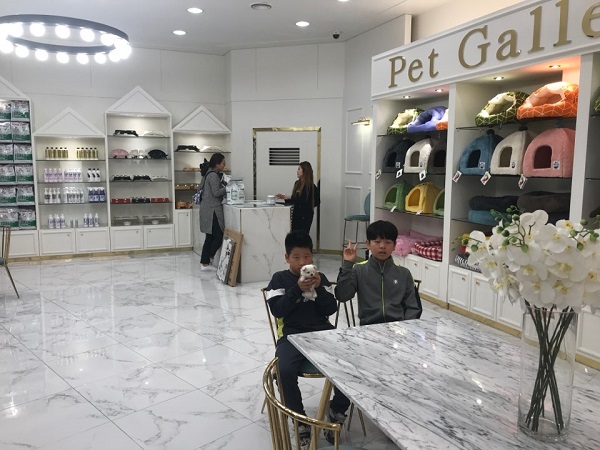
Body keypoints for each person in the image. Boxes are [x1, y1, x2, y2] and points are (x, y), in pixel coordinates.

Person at [266, 230, 350, 447]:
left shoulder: (320, 278)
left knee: (349, 363)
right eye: (296, 257)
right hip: (291, 335)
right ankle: (300, 421)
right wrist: (296, 289)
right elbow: (277, 310)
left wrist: (319, 288)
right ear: (287, 258)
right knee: (284, 370)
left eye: (306, 256)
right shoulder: (279, 279)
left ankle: (336, 410)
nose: (302, 262)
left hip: (322, 332)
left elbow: (330, 308)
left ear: (312, 257)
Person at [336, 220, 421, 325]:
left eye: (388, 242)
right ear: (368, 244)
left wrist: (406, 326)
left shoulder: (404, 274)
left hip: (398, 328)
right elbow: (342, 296)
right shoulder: (359, 270)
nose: (382, 246)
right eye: (377, 241)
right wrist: (348, 265)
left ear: (394, 245)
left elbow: (413, 307)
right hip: (369, 328)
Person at [199, 153, 227, 269]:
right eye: (223, 163)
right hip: (212, 210)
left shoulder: (208, 173)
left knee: (209, 237)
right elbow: (216, 192)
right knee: (218, 236)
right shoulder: (213, 176)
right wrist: (228, 188)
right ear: (217, 164)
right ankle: (208, 259)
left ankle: (205, 263)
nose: (224, 165)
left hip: (207, 209)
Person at [276, 161, 320, 233]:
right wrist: (285, 198)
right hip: (296, 215)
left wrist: (308, 207)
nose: (297, 171)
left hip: (305, 216)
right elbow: (295, 199)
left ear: (305, 171)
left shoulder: (311, 186)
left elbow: (315, 201)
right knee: (294, 235)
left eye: (299, 169)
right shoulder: (297, 183)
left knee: (303, 235)